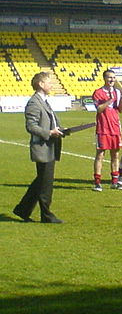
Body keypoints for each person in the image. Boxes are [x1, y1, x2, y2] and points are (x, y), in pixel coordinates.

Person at [13, 72, 65, 223]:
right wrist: (49, 132)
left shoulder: (43, 101)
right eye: (49, 82)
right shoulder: (34, 102)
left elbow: (49, 121)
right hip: (43, 147)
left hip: (49, 146)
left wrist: (59, 129)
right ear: (41, 84)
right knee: (45, 183)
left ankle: (22, 209)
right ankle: (46, 214)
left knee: (41, 181)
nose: (51, 85)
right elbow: (31, 126)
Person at [92, 69, 122, 192]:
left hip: (115, 127)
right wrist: (109, 100)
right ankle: (97, 182)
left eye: (113, 78)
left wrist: (121, 98)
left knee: (115, 154)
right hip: (103, 127)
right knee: (100, 154)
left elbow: (121, 110)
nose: (112, 80)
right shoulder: (98, 92)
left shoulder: (117, 92)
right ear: (104, 78)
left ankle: (115, 181)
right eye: (109, 77)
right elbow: (99, 109)